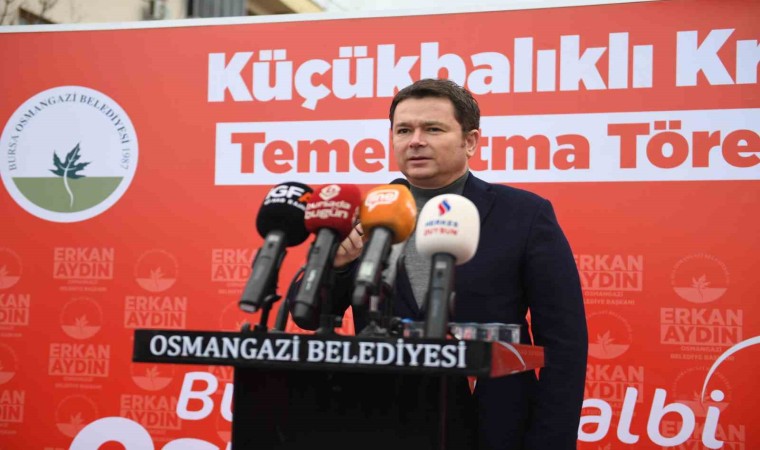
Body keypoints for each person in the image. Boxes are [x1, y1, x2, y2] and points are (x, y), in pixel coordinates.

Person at [319, 78, 587, 449]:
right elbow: (310, 315)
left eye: (433, 129)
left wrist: (549, 442)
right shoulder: (368, 216)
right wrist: (337, 264)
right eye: (403, 130)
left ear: (470, 141)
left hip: (492, 428)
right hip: (381, 424)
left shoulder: (525, 215)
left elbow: (563, 343)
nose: (415, 141)